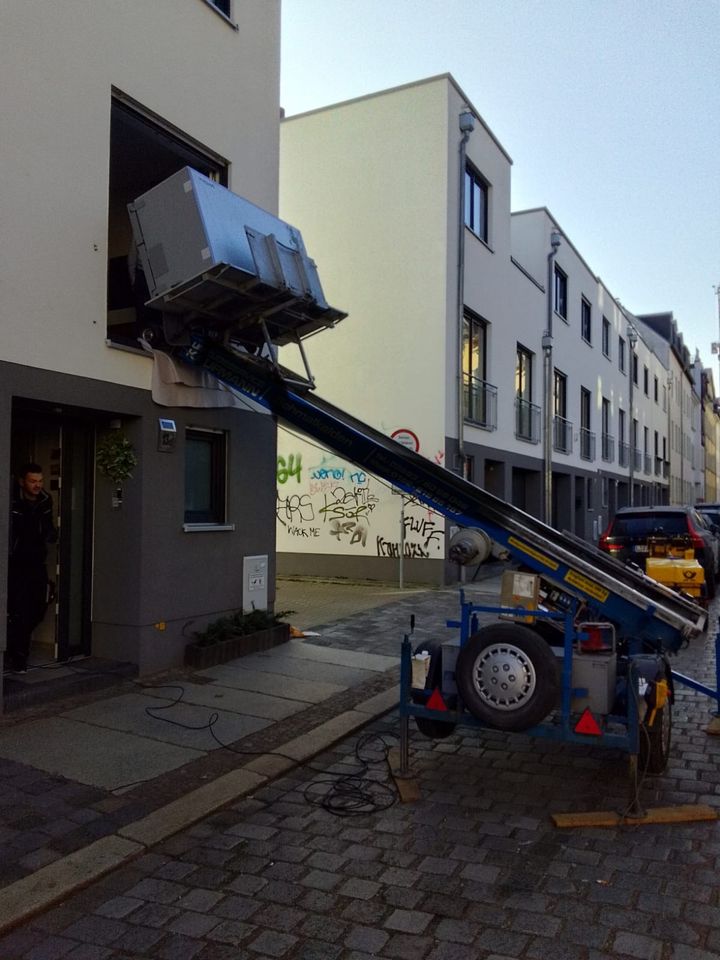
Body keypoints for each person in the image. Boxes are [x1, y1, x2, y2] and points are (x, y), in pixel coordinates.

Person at [6, 463, 57, 673]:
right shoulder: (13, 501)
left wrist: (51, 534)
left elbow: (47, 526)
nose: (37, 485)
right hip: (16, 563)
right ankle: (19, 658)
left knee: (38, 607)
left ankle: (13, 641)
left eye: (40, 481)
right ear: (22, 482)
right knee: (19, 611)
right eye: (32, 481)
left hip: (37, 562)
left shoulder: (45, 500)